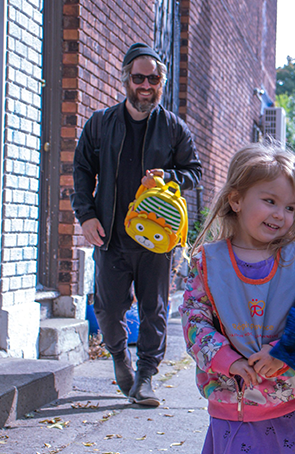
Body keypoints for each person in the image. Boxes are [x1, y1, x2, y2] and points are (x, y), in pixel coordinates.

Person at [71, 43, 202, 407]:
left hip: (157, 238)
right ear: (126, 78)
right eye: (139, 77)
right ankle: (118, 356)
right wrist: (86, 215)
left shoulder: (175, 128)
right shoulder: (100, 123)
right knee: (109, 310)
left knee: (153, 309)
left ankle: (146, 376)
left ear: (162, 82)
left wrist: (169, 177)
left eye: (153, 78)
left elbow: (194, 173)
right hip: (110, 234)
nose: (146, 85)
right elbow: (82, 170)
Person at [180, 143, 295, 454]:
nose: (280, 215)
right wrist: (227, 360)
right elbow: (194, 318)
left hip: (290, 408)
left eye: (290, 207)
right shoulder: (208, 261)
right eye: (270, 201)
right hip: (231, 407)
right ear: (236, 199)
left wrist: (283, 350)